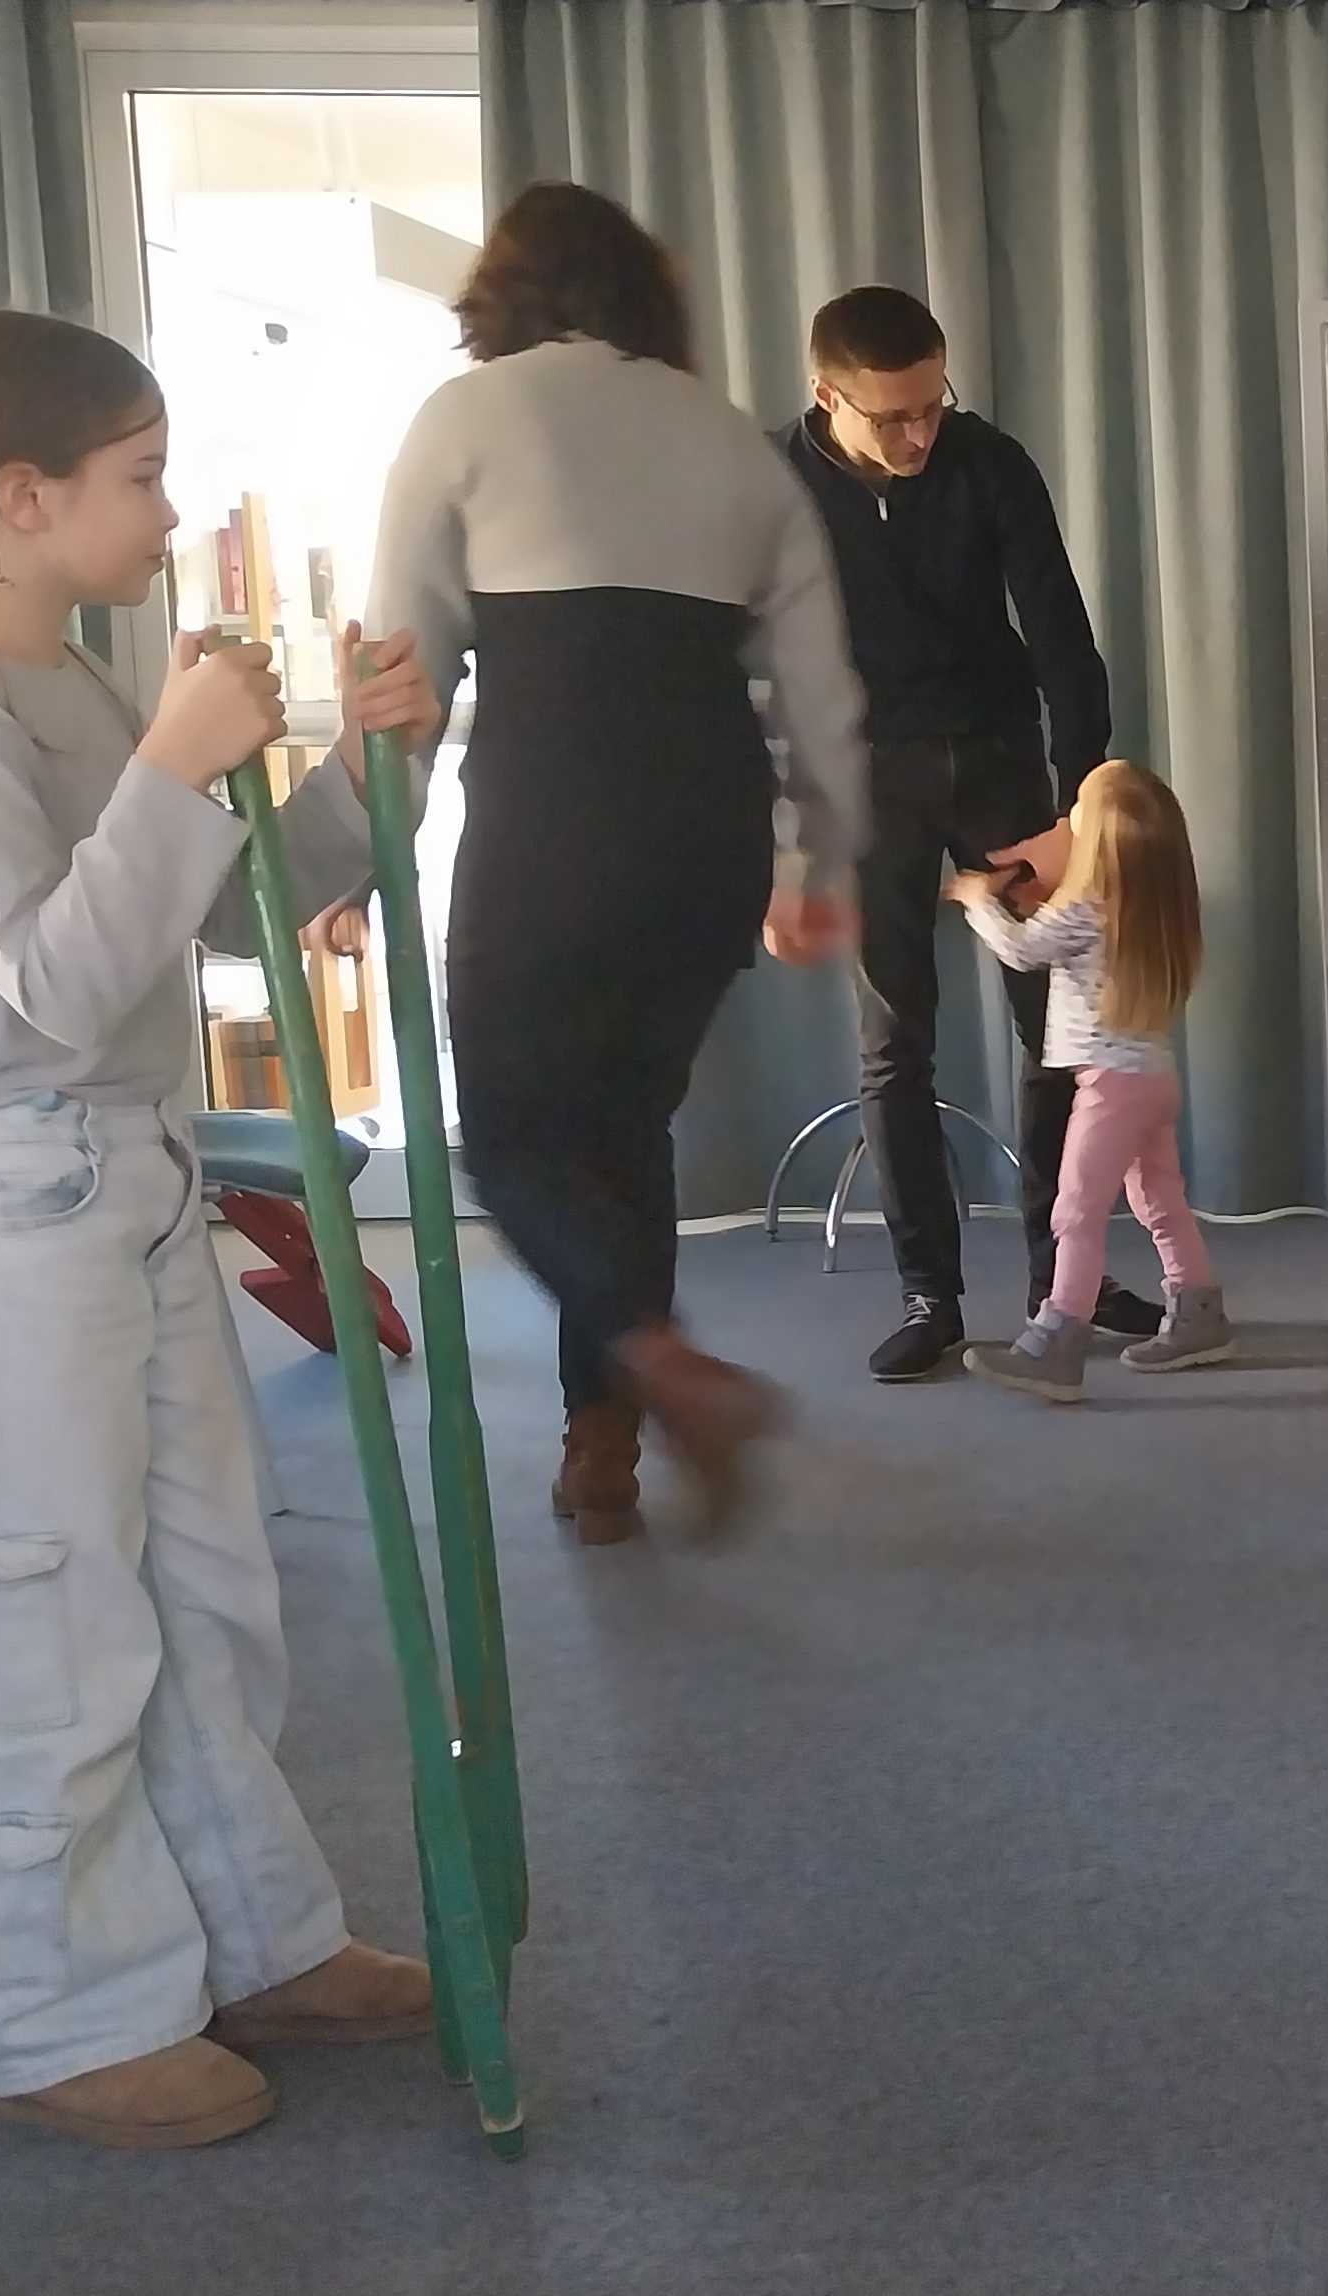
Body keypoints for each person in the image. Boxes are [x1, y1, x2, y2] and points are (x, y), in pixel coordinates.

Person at [0, 309, 440, 2148]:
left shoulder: (59, 676)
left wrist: (362, 778)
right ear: (21, 496)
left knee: (203, 1593)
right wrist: (172, 767)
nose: (169, 510)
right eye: (141, 477)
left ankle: (249, 1934)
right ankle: (62, 2014)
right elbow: (56, 979)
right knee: (42, 1617)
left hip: (118, 1178)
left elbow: (193, 922)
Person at [370, 182, 870, 1543]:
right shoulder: (735, 444)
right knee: (622, 1133)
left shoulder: (464, 419)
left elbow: (399, 679)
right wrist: (819, 866)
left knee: (514, 1142)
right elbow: (823, 697)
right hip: (705, 838)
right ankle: (604, 1454)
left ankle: (660, 1366)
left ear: (502, 293)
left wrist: (361, 857)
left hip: (548, 832)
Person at [781, 285, 1158, 1383]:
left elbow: (1063, 636)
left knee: (1061, 1030)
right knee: (895, 1038)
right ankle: (929, 1294)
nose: (918, 435)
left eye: (932, 406)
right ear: (826, 397)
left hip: (998, 760)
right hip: (867, 782)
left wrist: (1077, 811)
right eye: (891, 416)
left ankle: (1062, 1278)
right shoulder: (777, 487)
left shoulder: (990, 462)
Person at [953, 760, 1232, 1401]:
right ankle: (1199, 1316)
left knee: (1075, 1212)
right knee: (1160, 1202)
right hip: (1151, 1079)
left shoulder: (1087, 905)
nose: (1068, 815)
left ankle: (1057, 1341)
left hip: (1110, 1089)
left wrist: (977, 902)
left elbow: (1022, 950)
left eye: (1080, 805)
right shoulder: (1147, 907)